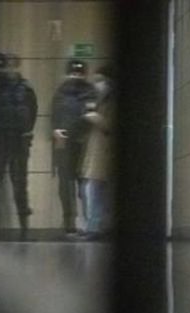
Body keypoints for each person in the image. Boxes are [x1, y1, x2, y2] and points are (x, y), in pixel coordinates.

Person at [0, 52, 38, 239]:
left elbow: (32, 112)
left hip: (18, 142)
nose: (7, 69)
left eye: (11, 64)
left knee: (19, 184)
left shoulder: (25, 88)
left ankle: (24, 227)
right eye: (5, 65)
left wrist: (27, 133)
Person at [50, 59, 97, 235]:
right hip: (63, 145)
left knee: (84, 184)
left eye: (79, 72)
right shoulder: (61, 92)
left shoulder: (90, 92)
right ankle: (69, 221)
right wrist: (55, 131)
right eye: (73, 72)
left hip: (83, 144)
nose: (76, 75)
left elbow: (93, 117)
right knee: (65, 185)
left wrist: (85, 134)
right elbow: (54, 116)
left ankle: (87, 222)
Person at [77, 65, 115, 240]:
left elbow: (110, 125)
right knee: (90, 189)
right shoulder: (99, 99)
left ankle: (95, 228)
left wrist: (95, 118)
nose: (97, 84)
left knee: (94, 190)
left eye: (100, 80)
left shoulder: (111, 101)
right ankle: (93, 227)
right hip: (95, 150)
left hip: (103, 152)